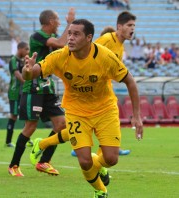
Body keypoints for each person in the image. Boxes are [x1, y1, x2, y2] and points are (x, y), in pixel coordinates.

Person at [24, 18, 143, 198]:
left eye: (76, 34)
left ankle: (97, 163)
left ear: (89, 38)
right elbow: (32, 73)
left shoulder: (104, 56)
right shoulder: (60, 56)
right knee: (85, 162)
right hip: (76, 111)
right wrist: (27, 70)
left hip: (105, 110)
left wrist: (137, 116)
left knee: (111, 159)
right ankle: (100, 190)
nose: (70, 38)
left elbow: (130, 81)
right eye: (69, 33)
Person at [31, 11, 137, 161]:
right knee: (82, 130)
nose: (132, 28)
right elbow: (88, 55)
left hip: (100, 92)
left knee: (105, 143)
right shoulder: (107, 40)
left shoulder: (120, 46)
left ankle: (45, 144)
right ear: (119, 27)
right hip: (82, 95)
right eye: (129, 25)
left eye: (134, 25)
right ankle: (78, 149)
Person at [8, 8, 75, 177]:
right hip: (33, 87)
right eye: (58, 20)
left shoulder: (50, 40)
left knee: (61, 124)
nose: (59, 23)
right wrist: (69, 24)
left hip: (48, 87)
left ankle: (44, 161)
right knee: (30, 127)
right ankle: (14, 165)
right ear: (51, 22)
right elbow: (61, 43)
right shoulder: (37, 36)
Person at [5, 41, 29, 147]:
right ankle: (8, 141)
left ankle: (26, 139)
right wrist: (27, 82)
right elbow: (17, 74)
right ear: (20, 49)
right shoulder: (13, 60)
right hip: (14, 92)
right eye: (26, 49)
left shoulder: (23, 61)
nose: (27, 51)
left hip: (23, 92)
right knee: (14, 116)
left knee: (26, 115)